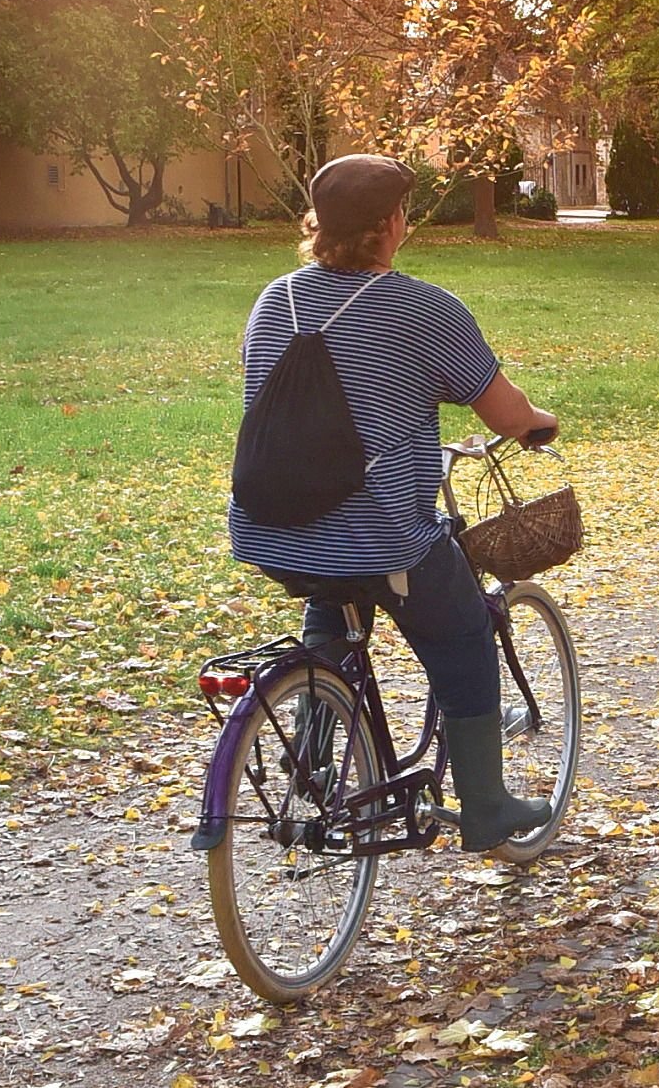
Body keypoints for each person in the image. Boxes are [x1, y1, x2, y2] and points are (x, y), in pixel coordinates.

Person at [228, 154, 560, 852]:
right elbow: (503, 412)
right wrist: (536, 422)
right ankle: (487, 807)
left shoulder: (274, 298)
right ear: (389, 225)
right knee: (465, 634)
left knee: (334, 587)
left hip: (271, 531)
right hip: (381, 536)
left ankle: (314, 747)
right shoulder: (423, 309)